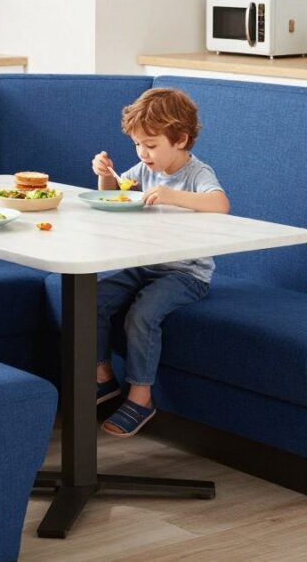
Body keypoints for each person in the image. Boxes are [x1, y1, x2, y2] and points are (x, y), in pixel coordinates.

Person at [91, 87, 230, 437]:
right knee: (90, 298)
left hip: (186, 272)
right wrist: (105, 175)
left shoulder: (197, 173)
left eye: (150, 145)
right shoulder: (144, 168)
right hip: (146, 264)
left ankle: (140, 397)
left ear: (180, 139)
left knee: (143, 314)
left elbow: (220, 205)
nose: (143, 153)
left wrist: (173, 196)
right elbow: (114, 194)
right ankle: (102, 377)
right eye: (138, 145)